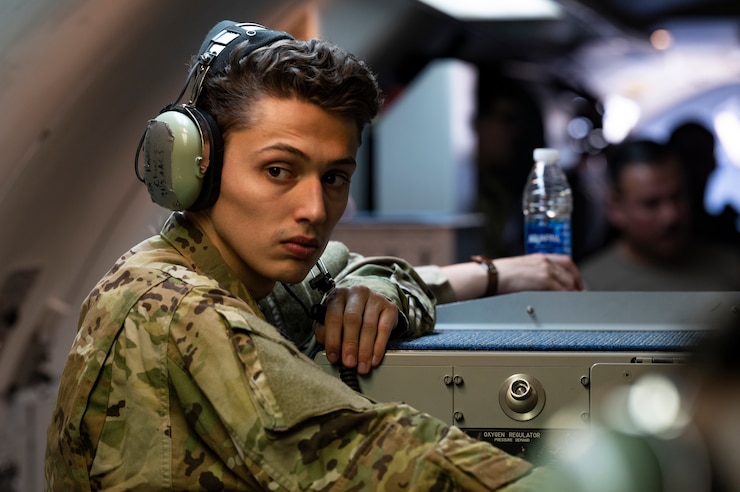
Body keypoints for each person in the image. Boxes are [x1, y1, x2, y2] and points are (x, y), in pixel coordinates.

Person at [44, 21, 571, 490]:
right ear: (196, 168)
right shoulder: (178, 310)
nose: (315, 209)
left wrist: (446, 281)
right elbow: (384, 456)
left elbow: (367, 270)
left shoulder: (253, 278)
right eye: (279, 170)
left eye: (334, 177)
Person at [578, 138, 740, 291]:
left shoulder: (731, 269)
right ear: (616, 208)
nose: (671, 216)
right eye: (651, 204)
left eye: (677, 197)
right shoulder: (585, 287)